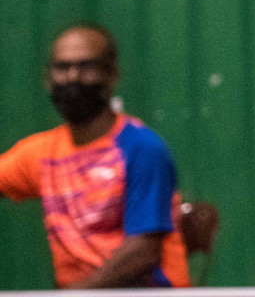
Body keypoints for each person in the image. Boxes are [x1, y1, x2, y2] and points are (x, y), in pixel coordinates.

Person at [0, 24, 190, 288]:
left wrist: (78, 294)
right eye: (62, 68)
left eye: (86, 67)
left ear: (112, 75)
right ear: (48, 78)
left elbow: (143, 250)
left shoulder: (142, 148)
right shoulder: (42, 154)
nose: (72, 78)